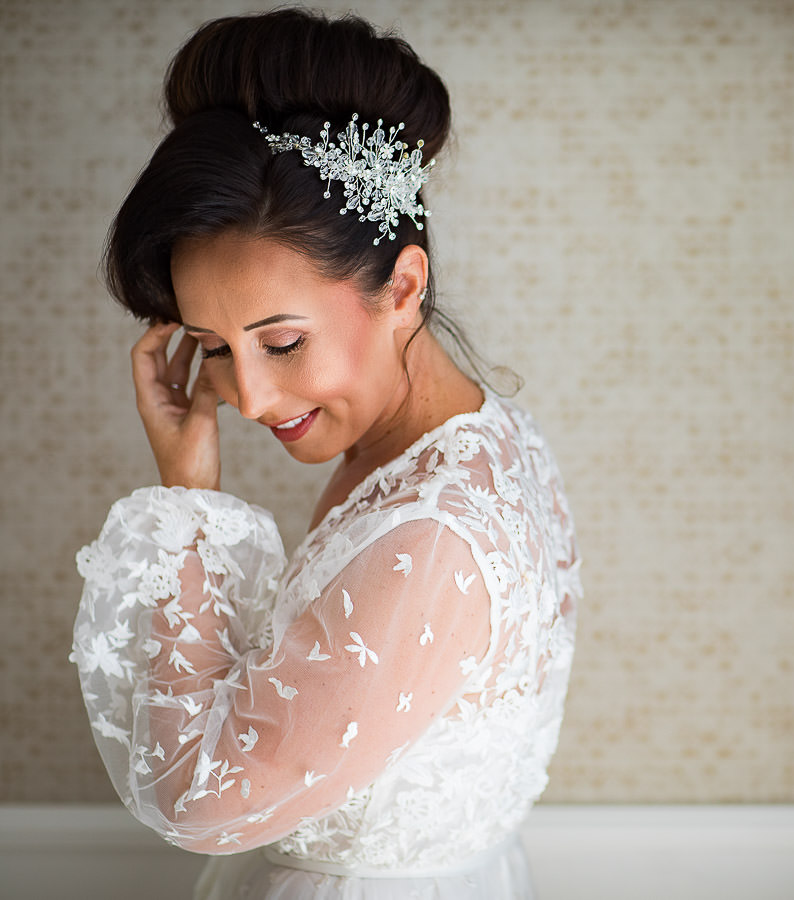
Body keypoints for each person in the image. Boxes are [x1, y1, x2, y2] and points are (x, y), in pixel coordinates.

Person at [68, 9, 581, 899]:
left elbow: (199, 800)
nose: (248, 399)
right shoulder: (465, 437)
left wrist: (189, 501)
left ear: (404, 287)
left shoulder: (433, 538)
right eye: (214, 346)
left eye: (282, 341)